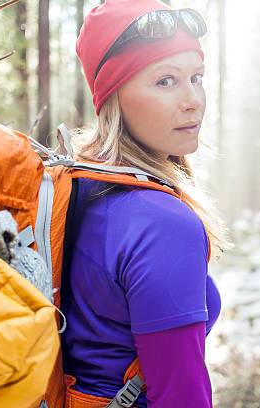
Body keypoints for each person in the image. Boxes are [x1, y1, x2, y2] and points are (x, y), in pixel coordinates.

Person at [61, 1, 233, 407]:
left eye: (197, 77)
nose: (193, 100)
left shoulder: (78, 185)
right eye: (165, 81)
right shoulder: (162, 223)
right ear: (113, 97)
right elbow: (180, 395)